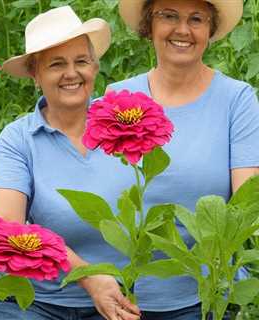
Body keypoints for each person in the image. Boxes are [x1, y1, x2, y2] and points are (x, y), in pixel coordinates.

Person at [0, 6, 141, 320]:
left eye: (81, 61)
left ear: (95, 67)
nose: (71, 73)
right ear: (36, 76)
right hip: (28, 302)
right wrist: (88, 276)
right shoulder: (18, 139)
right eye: (56, 64)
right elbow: (7, 225)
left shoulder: (125, 126)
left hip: (114, 300)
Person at [103, 0, 258, 318]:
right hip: (121, 298)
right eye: (169, 16)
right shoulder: (117, 97)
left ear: (210, 30)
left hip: (205, 296)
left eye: (196, 19)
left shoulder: (237, 100)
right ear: (149, 26)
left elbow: (246, 202)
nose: (183, 30)